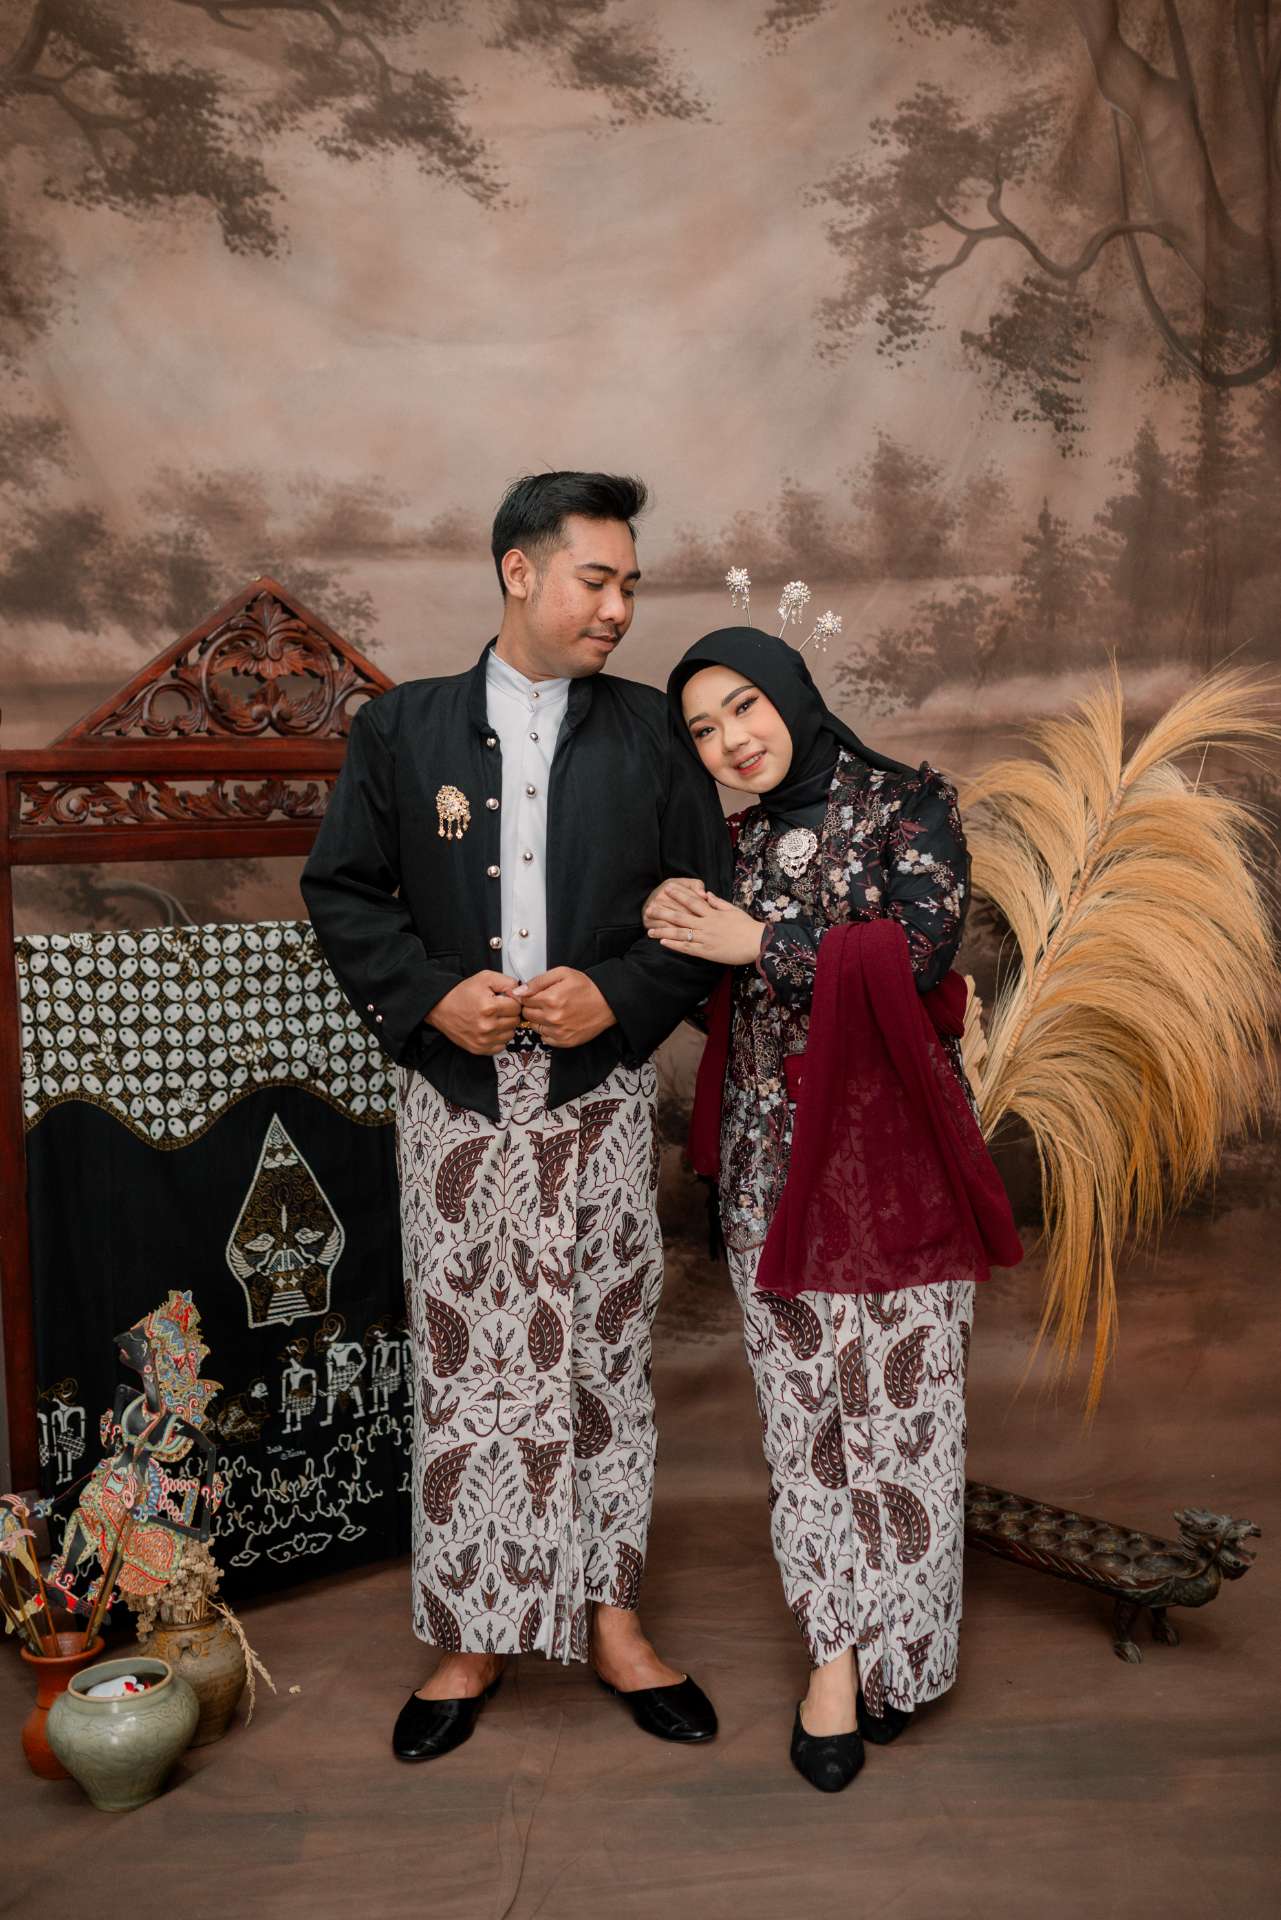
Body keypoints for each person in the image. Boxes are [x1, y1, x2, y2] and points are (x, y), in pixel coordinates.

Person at [301, 473, 730, 1761]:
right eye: (598, 580)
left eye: (630, 585)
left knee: (602, 1360)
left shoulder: (652, 733)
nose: (619, 608)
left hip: (601, 1098)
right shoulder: (403, 730)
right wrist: (433, 998)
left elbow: (706, 907)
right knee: (466, 1364)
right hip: (456, 1099)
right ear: (519, 572)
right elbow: (343, 891)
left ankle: (614, 1623)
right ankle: (472, 1634)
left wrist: (622, 995)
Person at [646, 625, 1022, 1793]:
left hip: (896, 1167)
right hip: (770, 1172)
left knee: (905, 1424)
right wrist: (679, 924)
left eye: (744, 706)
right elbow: (731, 1007)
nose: (731, 741)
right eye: (703, 730)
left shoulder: (912, 809)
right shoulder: (732, 844)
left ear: (795, 693)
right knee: (807, 1427)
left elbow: (919, 956)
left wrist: (756, 939)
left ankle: (905, 1656)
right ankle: (834, 1657)